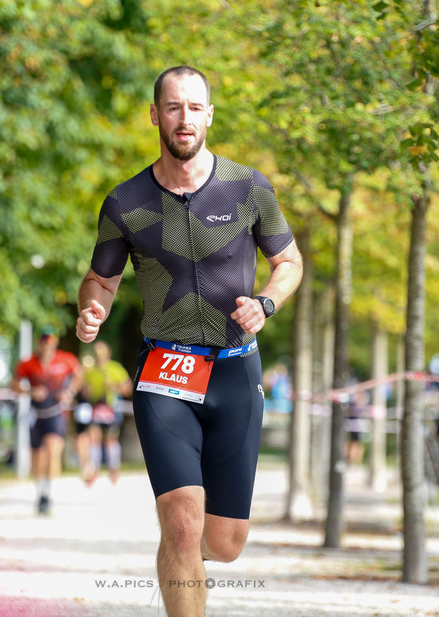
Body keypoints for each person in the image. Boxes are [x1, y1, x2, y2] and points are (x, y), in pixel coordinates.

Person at [75, 65, 304, 615]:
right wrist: (92, 308)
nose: (185, 118)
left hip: (233, 368)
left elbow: (289, 262)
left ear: (209, 115)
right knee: (181, 518)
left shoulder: (248, 187)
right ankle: (179, 549)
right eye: (173, 107)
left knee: (223, 543)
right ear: (156, 115)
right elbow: (101, 279)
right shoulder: (125, 201)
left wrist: (266, 301)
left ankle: (183, 553)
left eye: (195, 107)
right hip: (165, 371)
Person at [15, 326, 83, 515]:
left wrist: (69, 392)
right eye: (44, 341)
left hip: (56, 412)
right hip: (36, 414)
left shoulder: (66, 359)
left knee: (53, 451)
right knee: (37, 457)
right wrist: (30, 391)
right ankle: (41, 493)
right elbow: (14, 384)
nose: (47, 345)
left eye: (51, 342)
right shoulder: (28, 363)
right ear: (39, 343)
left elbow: (79, 376)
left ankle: (49, 494)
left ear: (56, 343)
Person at [79, 341, 133, 484]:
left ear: (108, 354)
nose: (98, 357)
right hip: (97, 407)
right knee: (93, 437)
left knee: (110, 439)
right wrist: (86, 391)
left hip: (112, 408)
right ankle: (93, 469)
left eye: (101, 353)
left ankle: (114, 469)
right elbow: (84, 390)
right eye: (96, 354)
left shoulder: (115, 368)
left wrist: (115, 386)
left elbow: (128, 389)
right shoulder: (90, 371)